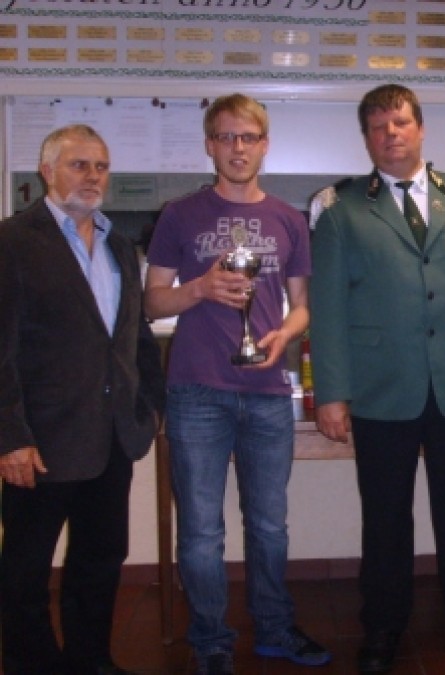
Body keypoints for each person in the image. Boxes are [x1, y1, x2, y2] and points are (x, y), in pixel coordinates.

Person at [309, 83, 445, 674]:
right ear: (366, 138)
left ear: (421, 128)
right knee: (385, 518)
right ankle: (383, 627)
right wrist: (331, 393)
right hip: (380, 389)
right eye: (379, 126)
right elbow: (327, 311)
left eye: (401, 122)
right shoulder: (340, 209)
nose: (391, 134)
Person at [143, 94, 330, 675]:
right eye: (226, 137)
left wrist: (284, 336)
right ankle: (211, 640)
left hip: (268, 390)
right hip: (196, 391)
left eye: (248, 136)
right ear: (210, 145)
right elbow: (152, 303)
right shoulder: (179, 215)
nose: (238, 147)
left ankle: (274, 628)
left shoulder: (289, 219)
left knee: (269, 525)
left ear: (264, 144)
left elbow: (304, 306)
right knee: (201, 531)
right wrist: (200, 289)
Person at [0, 124, 166, 675]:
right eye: (79, 165)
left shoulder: (119, 245)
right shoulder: (12, 242)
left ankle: (91, 661)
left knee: (101, 560)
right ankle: (32, 664)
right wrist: (10, 436)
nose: (92, 176)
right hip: (40, 443)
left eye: (101, 166)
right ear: (47, 171)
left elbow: (135, 337)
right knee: (25, 570)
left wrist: (151, 407)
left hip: (112, 437)